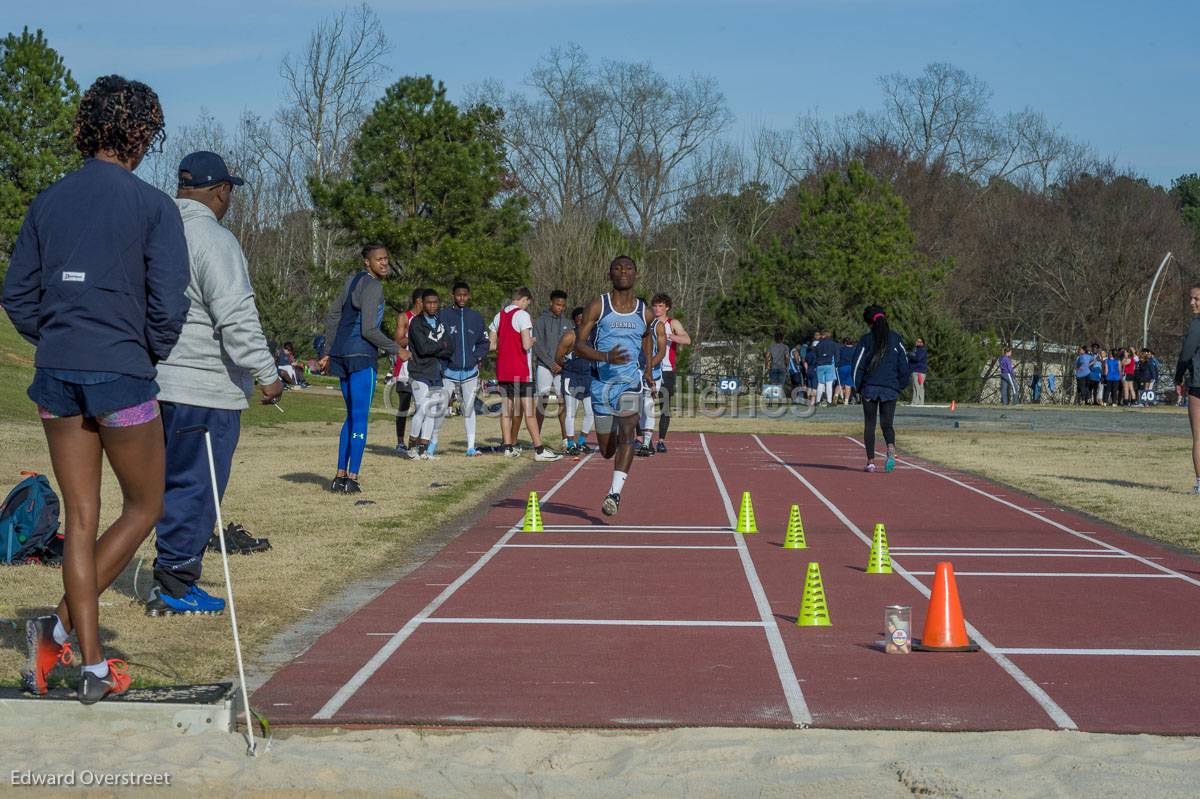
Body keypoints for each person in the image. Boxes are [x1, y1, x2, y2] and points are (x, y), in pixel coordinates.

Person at [3, 75, 188, 703]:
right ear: (141, 134)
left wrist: (57, 335)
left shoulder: (48, 200)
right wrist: (142, 350)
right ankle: (66, 638)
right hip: (122, 376)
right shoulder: (153, 205)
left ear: (87, 128)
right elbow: (169, 304)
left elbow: (18, 296)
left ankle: (86, 662)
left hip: (56, 373)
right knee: (145, 508)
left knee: (80, 519)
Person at [144, 151, 281, 618]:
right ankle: (175, 583)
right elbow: (236, 316)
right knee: (196, 486)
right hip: (204, 386)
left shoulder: (152, 231)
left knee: (157, 485)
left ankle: (164, 573)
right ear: (221, 190)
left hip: (153, 383)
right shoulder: (214, 240)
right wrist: (267, 374)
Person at [574, 256, 665, 516]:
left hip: (630, 383)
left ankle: (614, 493)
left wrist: (647, 369)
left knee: (628, 431)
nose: (623, 271)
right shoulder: (598, 306)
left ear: (636, 275)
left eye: (628, 268)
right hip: (602, 385)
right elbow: (579, 346)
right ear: (609, 274)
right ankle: (610, 439)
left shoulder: (644, 312)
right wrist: (605, 357)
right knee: (606, 450)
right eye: (618, 268)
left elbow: (647, 337)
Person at [318, 244, 400, 493]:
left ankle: (339, 476)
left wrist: (327, 352)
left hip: (342, 354)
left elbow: (333, 315)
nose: (384, 263)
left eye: (386, 258)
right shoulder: (374, 286)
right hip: (362, 355)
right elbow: (369, 330)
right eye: (379, 259)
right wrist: (397, 349)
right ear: (367, 262)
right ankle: (352, 479)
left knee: (351, 416)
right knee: (361, 417)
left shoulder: (351, 281)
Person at [489, 287, 562, 461]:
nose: (527, 306)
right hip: (520, 370)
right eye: (528, 303)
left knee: (506, 410)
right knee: (529, 411)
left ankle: (508, 447)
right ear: (523, 299)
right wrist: (533, 339)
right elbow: (526, 345)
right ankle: (539, 450)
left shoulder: (499, 315)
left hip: (503, 369)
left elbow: (492, 345)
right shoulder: (522, 315)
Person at [851, 306, 911, 473]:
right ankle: (890, 448)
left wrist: (858, 386)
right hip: (890, 388)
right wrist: (900, 385)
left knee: (870, 424)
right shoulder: (896, 339)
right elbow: (904, 366)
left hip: (869, 387)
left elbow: (857, 365)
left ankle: (870, 462)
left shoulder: (866, 340)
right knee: (887, 424)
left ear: (870, 323)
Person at [439, 281, 490, 456]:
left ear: (468, 296)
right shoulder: (443, 315)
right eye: (458, 294)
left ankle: (470, 446)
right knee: (440, 406)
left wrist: (476, 357)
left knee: (468, 407)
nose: (461, 298)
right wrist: (443, 360)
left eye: (465, 295)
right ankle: (431, 444)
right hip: (448, 370)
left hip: (470, 371)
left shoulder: (476, 317)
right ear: (453, 295)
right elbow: (437, 341)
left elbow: (484, 342)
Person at [404, 289, 453, 459]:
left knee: (431, 410)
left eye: (435, 302)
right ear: (422, 303)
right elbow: (423, 349)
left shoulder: (440, 322)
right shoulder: (416, 323)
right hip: (419, 371)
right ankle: (411, 447)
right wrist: (441, 346)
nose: (432, 305)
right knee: (422, 408)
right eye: (429, 302)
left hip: (435, 372)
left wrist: (442, 348)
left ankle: (423, 449)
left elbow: (451, 348)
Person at [648, 293, 690, 452]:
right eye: (655, 306)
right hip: (649, 369)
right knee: (645, 405)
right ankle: (644, 439)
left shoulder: (673, 323)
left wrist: (668, 336)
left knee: (664, 406)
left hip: (666, 370)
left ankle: (661, 441)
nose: (657, 309)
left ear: (667, 308)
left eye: (660, 306)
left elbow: (687, 339)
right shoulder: (649, 322)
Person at [532, 290, 573, 452]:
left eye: (563, 305)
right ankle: (537, 440)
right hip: (544, 367)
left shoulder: (568, 323)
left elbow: (571, 346)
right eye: (557, 304)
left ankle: (566, 439)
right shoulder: (541, 321)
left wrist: (561, 363)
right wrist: (550, 363)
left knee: (563, 402)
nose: (560, 308)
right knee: (542, 401)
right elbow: (537, 344)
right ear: (551, 302)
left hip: (561, 368)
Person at [555, 307, 596, 457]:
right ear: (574, 320)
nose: (581, 321)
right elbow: (558, 357)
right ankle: (570, 444)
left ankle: (582, 441)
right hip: (571, 376)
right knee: (570, 412)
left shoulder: (593, 335)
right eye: (578, 319)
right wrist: (567, 367)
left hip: (588, 376)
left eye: (584, 318)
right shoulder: (569, 336)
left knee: (590, 412)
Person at [1174, 286, 1200, 494]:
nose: (1192, 303)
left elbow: (1186, 354)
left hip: (1198, 386)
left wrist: (1178, 377)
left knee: (1199, 438)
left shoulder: (1196, 324)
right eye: (1191, 299)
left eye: (1197, 299)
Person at [390, 289, 421, 453]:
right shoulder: (405, 317)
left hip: (422, 369)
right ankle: (400, 441)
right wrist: (417, 336)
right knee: (403, 407)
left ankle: (417, 441)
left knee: (422, 407)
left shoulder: (429, 319)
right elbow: (397, 341)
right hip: (404, 370)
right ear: (418, 301)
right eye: (426, 302)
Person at [814, 330, 838, 406]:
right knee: (829, 384)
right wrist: (837, 364)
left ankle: (817, 401)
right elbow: (837, 355)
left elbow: (815, 355)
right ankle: (829, 402)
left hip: (820, 365)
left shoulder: (818, 344)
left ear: (823, 336)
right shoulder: (833, 344)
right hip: (829, 364)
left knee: (820, 383)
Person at [908, 337, 928, 406]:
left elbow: (917, 358)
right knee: (919, 386)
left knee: (917, 386)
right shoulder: (915, 349)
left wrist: (910, 355)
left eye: (919, 342)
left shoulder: (922, 350)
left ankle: (915, 402)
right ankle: (920, 402)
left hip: (919, 371)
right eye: (917, 341)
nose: (917, 342)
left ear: (922, 343)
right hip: (914, 370)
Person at [839, 337, 857, 405]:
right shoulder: (855, 349)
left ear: (845, 342)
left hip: (842, 366)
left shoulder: (841, 349)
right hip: (851, 367)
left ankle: (836, 397)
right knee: (848, 385)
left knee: (840, 384)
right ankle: (846, 400)